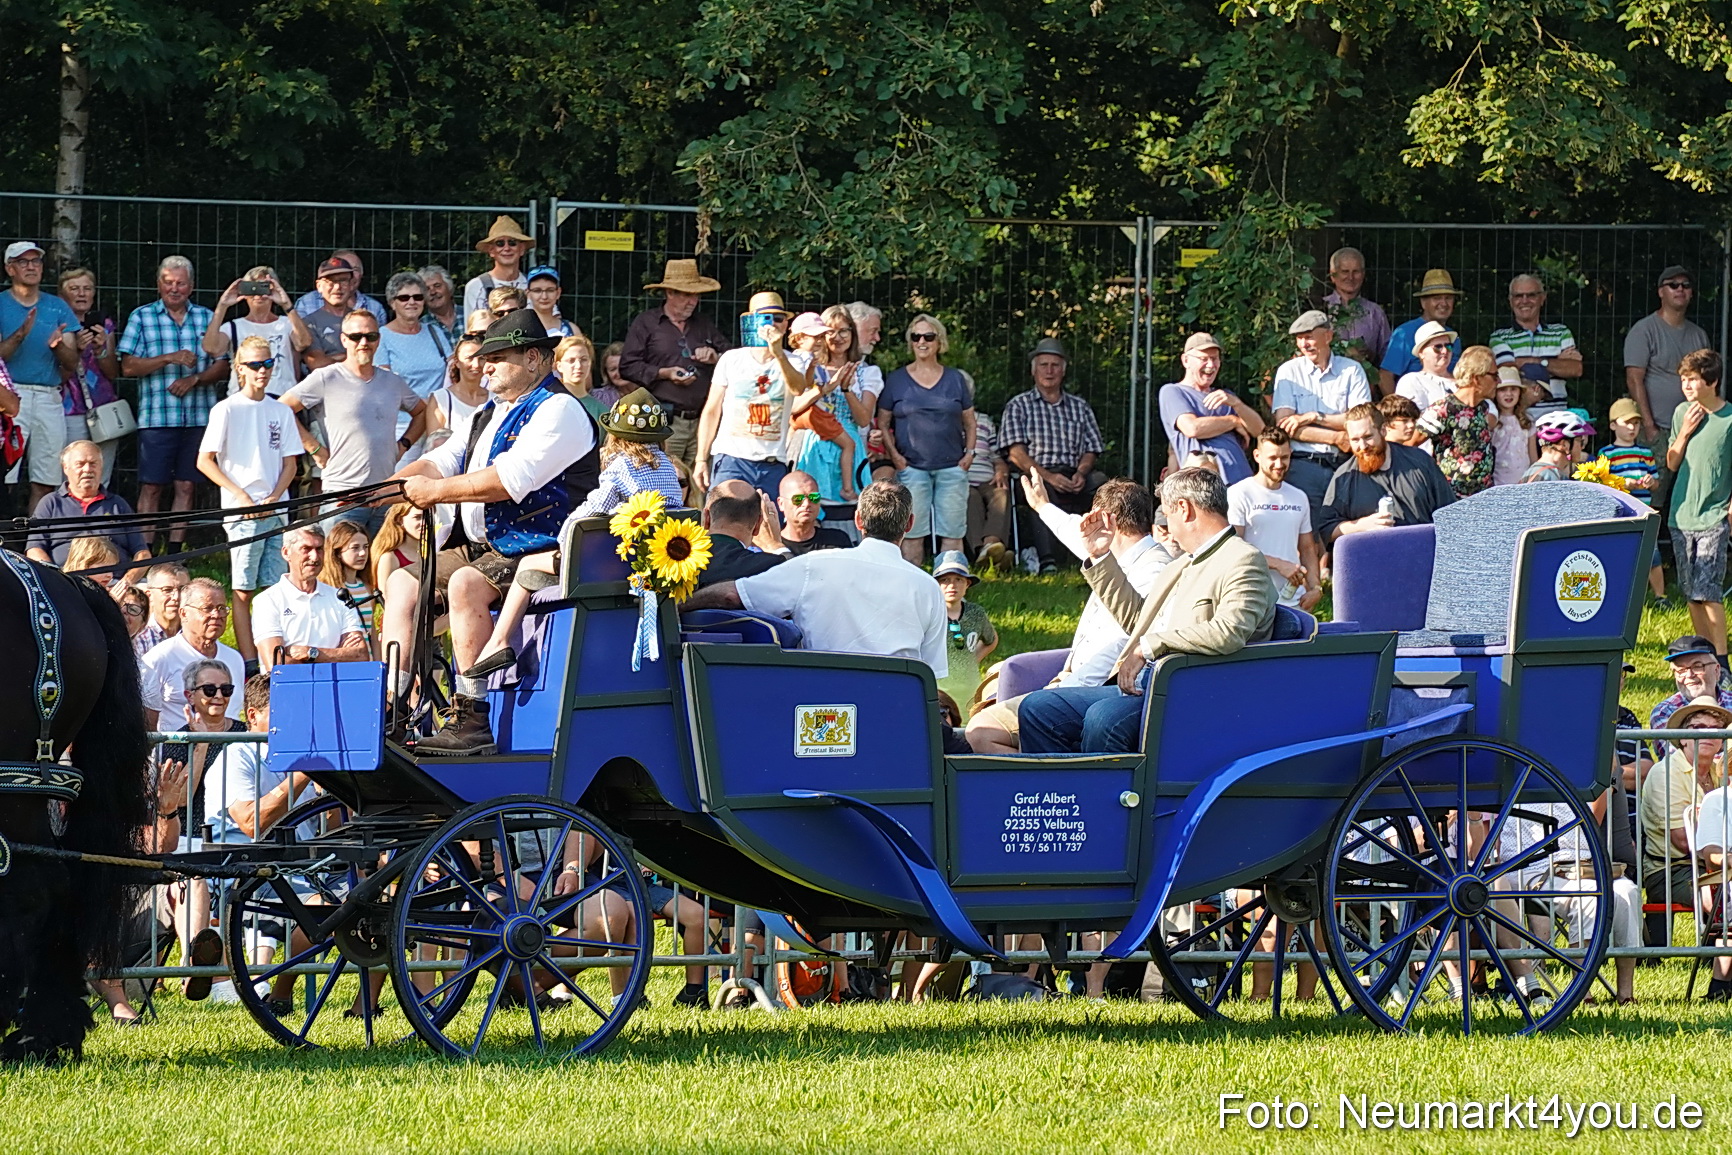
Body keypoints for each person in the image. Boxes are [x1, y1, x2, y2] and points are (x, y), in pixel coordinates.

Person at [380, 309, 600, 755]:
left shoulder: (560, 410)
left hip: (542, 548)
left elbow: (507, 481)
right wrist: (385, 487)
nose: (485, 365)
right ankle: (392, 710)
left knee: (465, 583)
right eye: (484, 357)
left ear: (535, 359)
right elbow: (441, 461)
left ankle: (472, 716)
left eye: (498, 356)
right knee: (403, 581)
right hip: (484, 547)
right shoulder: (488, 412)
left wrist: (434, 492)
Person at [1016, 468, 1274, 755]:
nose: (1165, 528)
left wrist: (1147, 647)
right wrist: (1101, 557)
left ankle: (1103, 798)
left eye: (1167, 514)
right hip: (1152, 686)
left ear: (1184, 510)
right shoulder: (1182, 563)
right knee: (1038, 708)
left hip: (1193, 692)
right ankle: (1061, 795)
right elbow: (1138, 620)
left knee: (1104, 719)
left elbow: (1230, 632)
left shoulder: (1242, 559)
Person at [464, 387, 684, 679]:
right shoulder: (668, 469)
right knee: (538, 570)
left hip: (616, 562)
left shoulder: (620, 469)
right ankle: (502, 639)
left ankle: (500, 642)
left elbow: (587, 514)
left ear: (615, 436)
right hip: (658, 563)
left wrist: (564, 539)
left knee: (528, 565)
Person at [965, 478, 1168, 754]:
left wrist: (1063, 693)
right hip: (1069, 682)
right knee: (988, 704)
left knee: (981, 732)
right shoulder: (1114, 553)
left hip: (1092, 691)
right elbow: (1072, 531)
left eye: (1091, 517)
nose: (1085, 523)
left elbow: (1122, 647)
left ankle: (1044, 792)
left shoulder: (1152, 570)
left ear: (1106, 520)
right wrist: (1042, 506)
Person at [684, 481, 949, 678]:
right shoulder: (929, 588)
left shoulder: (814, 566)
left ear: (858, 520)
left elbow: (732, 595)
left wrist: (676, 606)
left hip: (824, 706)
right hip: (896, 708)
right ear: (909, 523)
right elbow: (931, 674)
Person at [197, 336, 305, 664]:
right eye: (255, 365)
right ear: (239, 369)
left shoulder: (280, 410)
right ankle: (248, 662)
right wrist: (241, 496)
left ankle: (275, 658)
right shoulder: (226, 409)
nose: (263, 371)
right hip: (241, 513)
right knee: (243, 590)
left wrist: (274, 497)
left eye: (268, 363)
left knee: (275, 589)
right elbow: (204, 460)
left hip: (275, 510)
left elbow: (291, 464)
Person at [282, 308, 426, 537]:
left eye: (370, 336)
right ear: (343, 340)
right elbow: (282, 409)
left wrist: (404, 444)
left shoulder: (393, 382)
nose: (363, 342)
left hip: (383, 493)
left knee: (381, 568)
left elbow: (421, 412)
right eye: (355, 336)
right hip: (342, 494)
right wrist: (314, 448)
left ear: (379, 339)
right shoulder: (326, 377)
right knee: (336, 569)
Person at [117, 255, 225, 548]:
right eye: (168, 282)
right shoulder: (142, 316)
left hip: (198, 416)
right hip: (156, 418)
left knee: (187, 485)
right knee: (151, 487)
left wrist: (196, 379)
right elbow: (127, 367)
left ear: (191, 286)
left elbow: (224, 364)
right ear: (158, 284)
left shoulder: (206, 318)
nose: (173, 288)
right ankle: (144, 552)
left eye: (180, 283)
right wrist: (169, 358)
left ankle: (175, 551)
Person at [1001, 336, 1109, 570]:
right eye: (1043, 365)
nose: (1049, 371)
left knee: (1103, 486)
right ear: (1033, 371)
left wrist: (1081, 473)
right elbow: (1016, 453)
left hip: (1073, 474)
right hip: (1035, 474)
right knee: (1042, 488)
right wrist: (1049, 477)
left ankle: (1106, 552)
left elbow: (1092, 448)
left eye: (1055, 365)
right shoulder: (1019, 405)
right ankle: (1048, 561)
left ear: (1063, 370)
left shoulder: (1079, 407)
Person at [879, 314, 978, 565]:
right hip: (911, 467)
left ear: (939, 342)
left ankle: (950, 589)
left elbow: (969, 420)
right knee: (911, 533)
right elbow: (882, 421)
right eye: (916, 336)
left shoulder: (955, 378)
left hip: (952, 467)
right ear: (910, 342)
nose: (922, 341)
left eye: (928, 336)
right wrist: (895, 457)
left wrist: (969, 454)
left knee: (953, 533)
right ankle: (912, 588)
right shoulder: (896, 379)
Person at [694, 292, 809, 501]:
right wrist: (701, 458)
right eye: (766, 318)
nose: (773, 324)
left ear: (785, 325)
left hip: (773, 462)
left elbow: (798, 389)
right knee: (723, 525)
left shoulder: (794, 361)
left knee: (770, 527)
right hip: (732, 459)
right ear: (751, 321)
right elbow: (712, 410)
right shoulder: (731, 359)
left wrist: (778, 354)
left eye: (779, 318)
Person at [618, 260, 730, 472]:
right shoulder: (646, 323)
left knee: (698, 487)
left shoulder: (704, 324)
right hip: (665, 421)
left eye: (696, 295)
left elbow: (732, 358)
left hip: (702, 421)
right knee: (664, 479)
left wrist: (715, 357)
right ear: (670, 293)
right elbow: (628, 366)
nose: (693, 301)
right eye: (687, 295)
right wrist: (663, 373)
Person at [1639, 696, 1729, 955]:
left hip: (1716, 863)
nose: (1707, 735)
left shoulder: (1720, 771)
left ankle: (1718, 963)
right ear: (1683, 738)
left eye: (1715, 729)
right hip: (1671, 869)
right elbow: (1683, 841)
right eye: (1698, 728)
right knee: (1726, 894)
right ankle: (1719, 967)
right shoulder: (1666, 772)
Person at [0, 240, 81, 506]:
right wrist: (20, 334)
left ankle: (34, 545)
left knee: (46, 479)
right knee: (4, 476)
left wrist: (58, 347)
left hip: (49, 396)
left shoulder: (57, 306)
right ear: (10, 269)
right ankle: (6, 542)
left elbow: (71, 363)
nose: (31, 267)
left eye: (36, 261)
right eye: (23, 262)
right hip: (7, 399)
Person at [1272, 309, 1374, 517]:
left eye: (1308, 337)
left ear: (1328, 335)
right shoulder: (1288, 371)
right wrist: (1336, 436)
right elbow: (1285, 426)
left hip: (1346, 463)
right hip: (1303, 466)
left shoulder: (1351, 370)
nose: (1303, 344)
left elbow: (1361, 420)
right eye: (1299, 339)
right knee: (1308, 534)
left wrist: (1314, 417)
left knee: (1348, 526)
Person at [1664, 348, 1732, 657]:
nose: (1687, 386)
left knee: (1709, 591)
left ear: (1712, 380)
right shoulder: (1682, 413)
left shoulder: (1729, 419)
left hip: (1714, 515)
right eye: (1683, 380)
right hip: (1681, 514)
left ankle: (1721, 659)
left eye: (1693, 379)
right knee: (1691, 593)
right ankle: (1703, 652)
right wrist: (1686, 432)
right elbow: (1672, 462)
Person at [1314, 403, 1458, 544]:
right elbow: (1327, 530)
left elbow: (1450, 514)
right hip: (1372, 558)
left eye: (1368, 437)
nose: (1363, 446)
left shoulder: (1420, 462)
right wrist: (1361, 526)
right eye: (1355, 440)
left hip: (1422, 553)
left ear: (1383, 430)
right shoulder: (1344, 476)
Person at [251, 525, 370, 673]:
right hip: (287, 691)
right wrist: (338, 655)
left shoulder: (339, 597)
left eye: (319, 549)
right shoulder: (267, 601)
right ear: (286, 553)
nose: (314, 557)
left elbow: (360, 655)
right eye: (306, 549)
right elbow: (277, 665)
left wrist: (310, 653)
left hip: (334, 689)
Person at [1227, 428, 1322, 609]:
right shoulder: (1239, 493)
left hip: (1294, 599)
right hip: (1254, 599)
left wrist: (1315, 587)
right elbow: (1232, 547)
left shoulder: (1299, 496)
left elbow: (1308, 548)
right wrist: (1278, 564)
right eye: (1272, 458)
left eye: (1284, 457)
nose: (1279, 464)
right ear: (1257, 456)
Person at [791, 307, 875, 503]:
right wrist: (825, 388)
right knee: (810, 503)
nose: (837, 337)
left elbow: (863, 420)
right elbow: (794, 407)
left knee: (850, 509)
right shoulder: (809, 366)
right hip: (812, 443)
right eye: (830, 331)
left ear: (852, 333)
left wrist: (846, 389)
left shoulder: (866, 372)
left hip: (848, 439)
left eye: (844, 330)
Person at [26, 439, 150, 568]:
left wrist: (127, 581)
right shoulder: (50, 503)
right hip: (64, 581)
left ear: (101, 467)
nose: (87, 469)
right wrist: (57, 578)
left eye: (93, 463)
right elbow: (34, 550)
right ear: (66, 468)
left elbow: (142, 553)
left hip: (114, 583)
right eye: (80, 464)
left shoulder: (117, 504)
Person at [139, 577, 244, 729]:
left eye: (221, 608)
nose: (216, 615)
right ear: (183, 613)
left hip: (229, 750)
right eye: (207, 608)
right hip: (178, 750)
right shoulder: (159, 658)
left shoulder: (234, 659)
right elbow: (147, 723)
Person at [1158, 331, 1261, 485]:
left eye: (1214, 359)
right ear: (1186, 360)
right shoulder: (1173, 391)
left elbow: (1260, 431)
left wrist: (1237, 404)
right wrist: (1233, 421)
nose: (1211, 365)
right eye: (1203, 359)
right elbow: (1192, 428)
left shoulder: (1227, 397)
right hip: (1205, 485)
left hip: (1244, 483)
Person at [1625, 265, 1710, 443]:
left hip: (1695, 429)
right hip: (1657, 431)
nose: (1680, 289)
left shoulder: (1699, 335)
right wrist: (1649, 427)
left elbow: (1708, 382)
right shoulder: (1643, 331)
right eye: (1673, 285)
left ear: (1691, 293)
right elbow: (1634, 380)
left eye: (1685, 285)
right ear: (1661, 292)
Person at [54, 265, 124, 484]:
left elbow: (112, 372)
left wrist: (101, 349)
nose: (82, 294)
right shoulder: (55, 325)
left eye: (87, 288)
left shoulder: (104, 325)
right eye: (74, 288)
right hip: (68, 409)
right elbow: (57, 376)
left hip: (102, 408)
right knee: (69, 475)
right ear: (61, 294)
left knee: (100, 476)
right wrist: (75, 351)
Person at [202, 265, 311, 398]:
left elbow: (303, 343)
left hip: (282, 399)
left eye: (264, 287)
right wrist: (222, 306)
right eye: (252, 288)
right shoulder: (233, 326)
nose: (258, 295)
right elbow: (211, 348)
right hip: (244, 398)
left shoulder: (287, 323)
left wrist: (286, 305)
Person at [1599, 396, 1666, 599]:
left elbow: (1656, 482)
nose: (1632, 428)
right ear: (1612, 425)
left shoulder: (1645, 452)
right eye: (1627, 422)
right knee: (1622, 553)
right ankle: (1623, 595)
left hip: (1643, 509)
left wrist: (1650, 482)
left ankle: (1660, 595)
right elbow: (1602, 482)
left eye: (1636, 423)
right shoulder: (1606, 454)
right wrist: (1623, 483)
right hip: (1619, 511)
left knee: (1652, 553)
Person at [1489, 273, 1581, 418]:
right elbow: (1506, 370)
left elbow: (1575, 369)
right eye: (1518, 296)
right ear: (1510, 300)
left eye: (1531, 295)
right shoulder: (1500, 336)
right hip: (1519, 419)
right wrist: (1555, 364)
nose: (1524, 301)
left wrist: (1532, 363)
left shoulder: (1561, 332)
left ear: (1542, 298)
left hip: (1556, 419)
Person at [1416, 344, 1498, 498]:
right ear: (1477, 378)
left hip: (1483, 498)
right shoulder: (1443, 409)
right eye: (1494, 376)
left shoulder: (1482, 407)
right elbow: (1409, 444)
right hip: (1452, 499)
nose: (1499, 381)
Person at [1379, 268, 1462, 394]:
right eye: (1437, 298)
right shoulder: (1405, 333)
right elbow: (1385, 376)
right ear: (1423, 302)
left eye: (1448, 298)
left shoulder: (1453, 337)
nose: (1443, 303)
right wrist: (1396, 409)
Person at [931, 551, 997, 707]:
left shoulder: (976, 614)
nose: (952, 585)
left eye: (958, 580)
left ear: (967, 584)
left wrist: (972, 660)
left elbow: (991, 640)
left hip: (969, 691)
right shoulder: (930, 614)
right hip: (937, 692)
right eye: (945, 580)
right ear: (936, 584)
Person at [377, 271, 453, 400]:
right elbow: (382, 386)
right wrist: (420, 408)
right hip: (402, 417)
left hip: (439, 414)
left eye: (417, 297)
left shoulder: (434, 332)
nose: (412, 302)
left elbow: (453, 369)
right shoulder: (382, 336)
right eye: (404, 298)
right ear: (392, 303)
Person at [694, 480, 786, 586]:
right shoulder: (769, 568)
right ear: (757, 525)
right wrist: (774, 545)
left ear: (706, 518)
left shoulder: (676, 559)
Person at [1650, 635, 1732, 755]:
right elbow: (1679, 760)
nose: (1689, 675)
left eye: (1697, 666)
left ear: (1717, 670)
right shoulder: (1665, 712)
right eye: (1681, 670)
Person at [1321, 246, 1390, 371]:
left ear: (1363, 275)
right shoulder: (1320, 309)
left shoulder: (1375, 312)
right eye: (1345, 272)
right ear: (1333, 275)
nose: (1351, 277)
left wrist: (1369, 355)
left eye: (1356, 272)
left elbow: (1386, 355)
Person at [297, 255, 364, 371]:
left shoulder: (363, 320)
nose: (337, 287)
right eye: (331, 282)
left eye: (343, 280)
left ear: (351, 284)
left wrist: (333, 358)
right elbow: (317, 364)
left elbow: (368, 360)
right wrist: (351, 358)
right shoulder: (309, 323)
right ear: (319, 286)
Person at [962, 410, 1010, 569]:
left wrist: (1001, 471)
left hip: (988, 478)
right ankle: (982, 552)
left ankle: (991, 545)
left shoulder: (984, 420)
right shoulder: (947, 419)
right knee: (970, 497)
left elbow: (996, 456)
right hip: (962, 479)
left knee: (1001, 493)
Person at [463, 216, 534, 317]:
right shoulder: (477, 287)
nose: (506, 248)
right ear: (491, 250)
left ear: (522, 249)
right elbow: (471, 329)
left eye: (512, 243)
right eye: (500, 243)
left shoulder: (533, 286)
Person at [321, 518, 380, 638]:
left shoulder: (366, 587)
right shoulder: (325, 586)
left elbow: (371, 630)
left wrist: (377, 657)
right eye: (355, 548)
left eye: (365, 547)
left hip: (367, 655)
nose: (363, 553)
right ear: (337, 552)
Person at [293, 249, 386, 324]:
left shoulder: (376, 308)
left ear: (361, 274)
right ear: (319, 284)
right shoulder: (306, 302)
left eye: (355, 269)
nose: (338, 286)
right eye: (334, 278)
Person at [777, 469, 851, 556]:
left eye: (814, 497)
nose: (807, 504)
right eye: (798, 499)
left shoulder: (838, 541)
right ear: (781, 504)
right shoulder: (772, 547)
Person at [1393, 320, 1459, 410]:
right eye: (1438, 347)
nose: (1445, 351)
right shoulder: (1412, 381)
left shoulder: (1463, 382)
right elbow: (1411, 419)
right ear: (1421, 353)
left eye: (1448, 346)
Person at [1490, 367, 1535, 486]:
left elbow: (1533, 457)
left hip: (1523, 482)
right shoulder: (1492, 421)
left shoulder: (1527, 421)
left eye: (1513, 389)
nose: (1509, 394)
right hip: (1497, 483)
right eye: (1503, 389)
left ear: (1520, 392)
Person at [133, 561, 188, 658]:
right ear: (149, 595)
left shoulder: (197, 635)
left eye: (182, 589)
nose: (176, 597)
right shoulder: (138, 640)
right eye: (167, 590)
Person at [1521, 410, 1593, 483]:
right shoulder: (1550, 478)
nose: (1582, 447)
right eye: (1580, 441)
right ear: (1564, 445)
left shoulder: (1533, 472)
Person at [370, 502, 426, 591]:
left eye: (428, 517)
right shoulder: (390, 557)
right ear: (400, 520)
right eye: (417, 518)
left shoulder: (429, 552)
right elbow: (386, 595)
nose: (424, 523)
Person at [555, 334, 603, 416]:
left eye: (584, 360)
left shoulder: (600, 411)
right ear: (559, 366)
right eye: (571, 360)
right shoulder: (549, 403)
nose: (578, 366)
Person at [525, 266, 574, 338]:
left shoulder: (572, 330)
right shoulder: (520, 330)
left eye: (550, 290)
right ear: (528, 294)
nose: (544, 296)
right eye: (537, 291)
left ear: (558, 293)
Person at [418, 265, 461, 345]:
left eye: (437, 286)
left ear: (449, 287)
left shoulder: (469, 314)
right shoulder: (421, 327)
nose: (433, 292)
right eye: (427, 289)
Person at [596, 341, 629, 413]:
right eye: (612, 369)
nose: (619, 372)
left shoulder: (650, 392)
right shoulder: (598, 398)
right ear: (606, 373)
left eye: (623, 366)